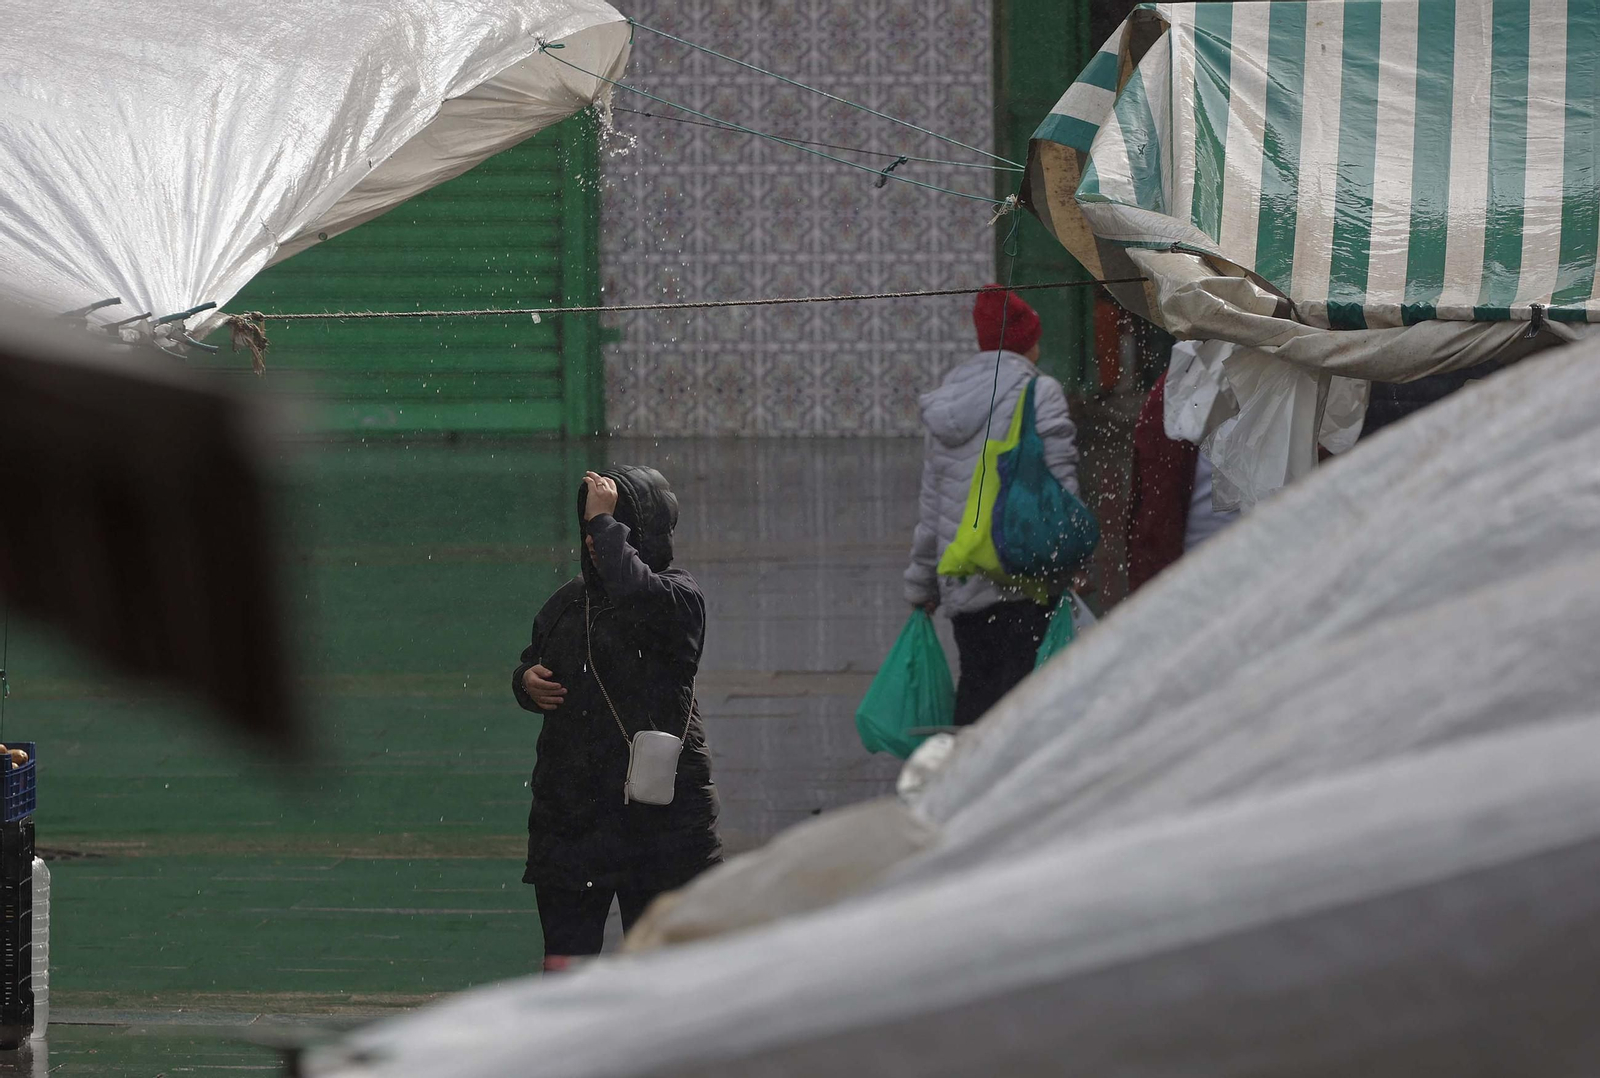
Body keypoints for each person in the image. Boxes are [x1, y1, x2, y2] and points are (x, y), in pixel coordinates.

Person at [512, 466, 721, 970]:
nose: (593, 536)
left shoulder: (678, 597)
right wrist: (525, 681)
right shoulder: (567, 602)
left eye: (606, 524)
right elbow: (534, 657)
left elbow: (635, 595)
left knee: (661, 968)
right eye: (589, 526)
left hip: (657, 817)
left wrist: (606, 525)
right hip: (573, 813)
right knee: (566, 964)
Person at [905, 285, 1082, 726]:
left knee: (977, 686)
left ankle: (966, 785)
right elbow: (1062, 486)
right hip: (1027, 574)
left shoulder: (947, 403)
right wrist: (1075, 558)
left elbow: (932, 506)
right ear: (1027, 341)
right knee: (1026, 696)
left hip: (965, 579)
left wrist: (921, 583)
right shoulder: (1040, 393)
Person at [1126, 371, 1240, 593]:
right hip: (1195, 575)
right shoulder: (1175, 392)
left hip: (1265, 570)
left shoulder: (1294, 386)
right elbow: (1153, 507)